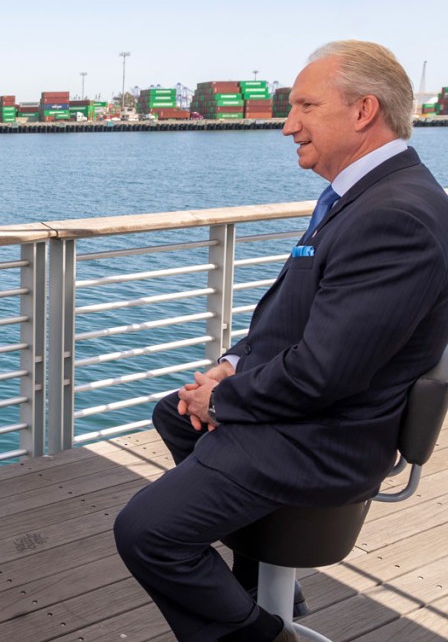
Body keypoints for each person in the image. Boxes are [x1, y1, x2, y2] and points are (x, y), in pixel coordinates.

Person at [114, 41, 448, 642]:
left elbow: (325, 372)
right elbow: (291, 317)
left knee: (147, 531)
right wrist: (230, 366)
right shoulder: (362, 197)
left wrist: (223, 402)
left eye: (305, 106)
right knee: (174, 413)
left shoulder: (394, 215)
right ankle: (258, 584)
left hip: (327, 438)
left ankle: (265, 636)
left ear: (363, 110)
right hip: (316, 416)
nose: (288, 123)